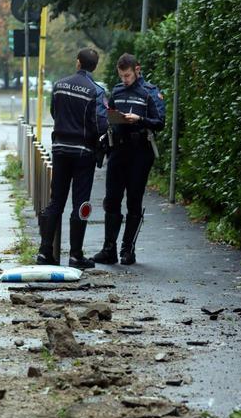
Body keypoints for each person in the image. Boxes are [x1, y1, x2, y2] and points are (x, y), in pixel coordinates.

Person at [37, 48, 108, 269]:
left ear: (78, 63)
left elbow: (54, 112)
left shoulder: (59, 85)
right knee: (81, 203)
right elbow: (101, 123)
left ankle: (45, 251)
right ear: (93, 67)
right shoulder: (96, 91)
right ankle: (76, 255)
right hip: (83, 152)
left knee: (56, 200)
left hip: (59, 149)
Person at [93, 53, 165, 265]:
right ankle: (109, 249)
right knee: (111, 200)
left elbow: (160, 122)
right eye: (122, 75)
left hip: (140, 151)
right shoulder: (116, 90)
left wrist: (140, 119)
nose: (125, 79)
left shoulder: (150, 92)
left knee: (134, 199)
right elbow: (111, 112)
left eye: (128, 75)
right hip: (118, 150)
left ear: (137, 70)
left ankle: (128, 250)